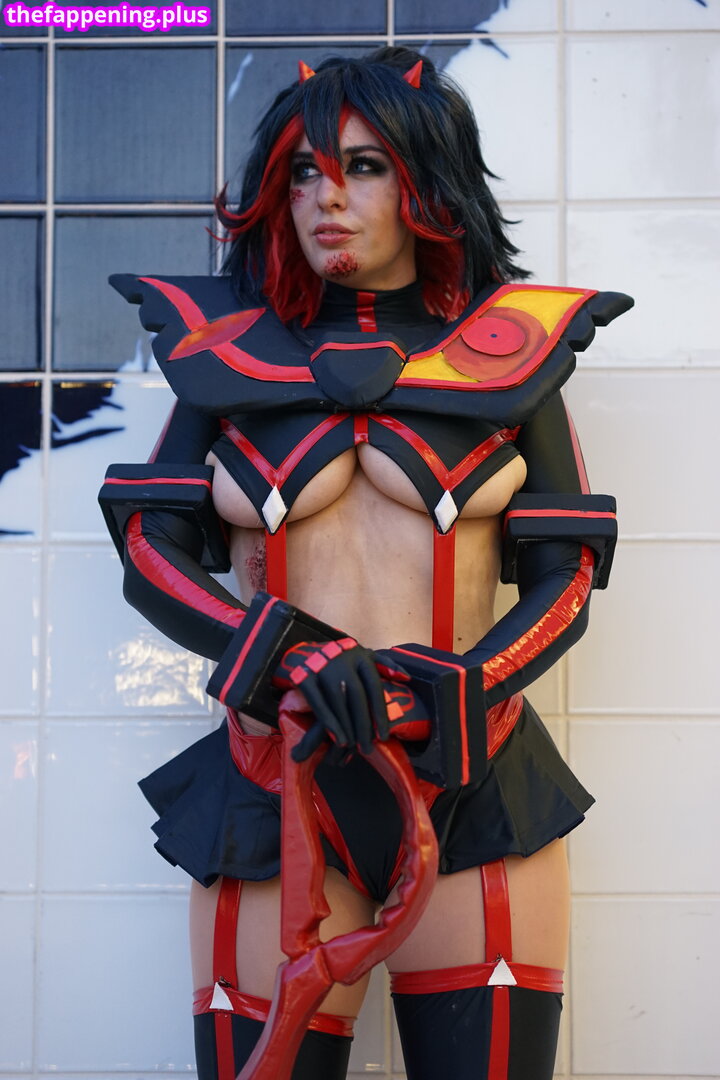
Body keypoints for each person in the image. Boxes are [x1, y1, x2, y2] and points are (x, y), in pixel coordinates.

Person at [100, 47, 631, 1080]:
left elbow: (566, 575)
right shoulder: (221, 356)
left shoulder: (518, 354)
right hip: (273, 780)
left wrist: (471, 682)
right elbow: (148, 549)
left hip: (472, 785)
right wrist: (278, 654)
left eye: (364, 166)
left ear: (428, 180)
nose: (326, 198)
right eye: (303, 171)